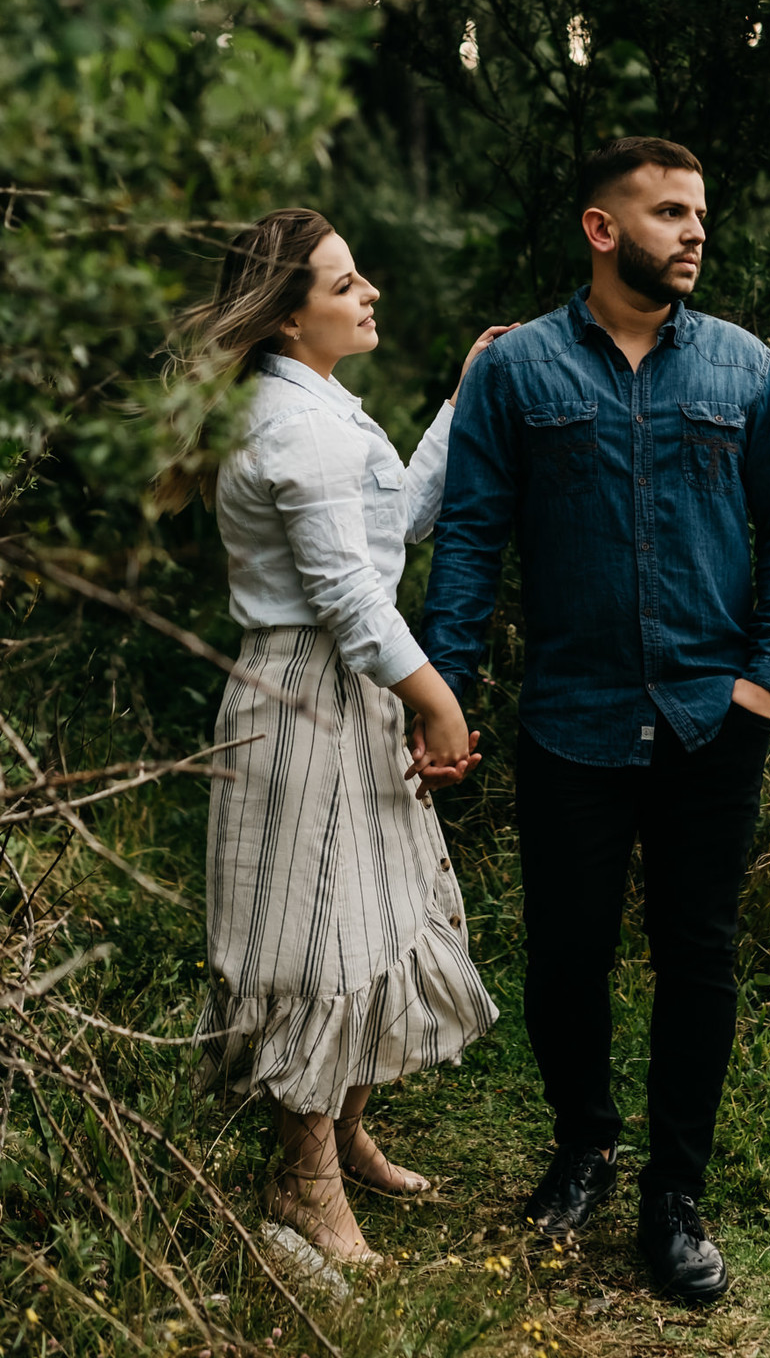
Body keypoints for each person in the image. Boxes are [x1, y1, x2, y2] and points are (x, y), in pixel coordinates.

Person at [417, 138, 770, 1301]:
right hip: (570, 723)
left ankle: (675, 1191)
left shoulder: (743, 369)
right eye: (669, 212)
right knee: (567, 954)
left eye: (701, 212)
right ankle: (585, 1144)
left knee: (700, 956)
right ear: (602, 230)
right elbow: (473, 544)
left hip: (711, 719)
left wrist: (764, 682)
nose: (695, 231)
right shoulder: (518, 372)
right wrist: (444, 691)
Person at [159, 208, 511, 1266]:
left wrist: (460, 398)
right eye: (346, 284)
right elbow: (349, 596)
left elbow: (392, 520)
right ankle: (301, 1185)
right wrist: (437, 698)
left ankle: (345, 1134)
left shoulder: (313, 405)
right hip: (306, 693)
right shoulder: (293, 423)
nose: (369, 296)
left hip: (347, 687)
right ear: (285, 316)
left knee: (375, 913)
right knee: (311, 943)